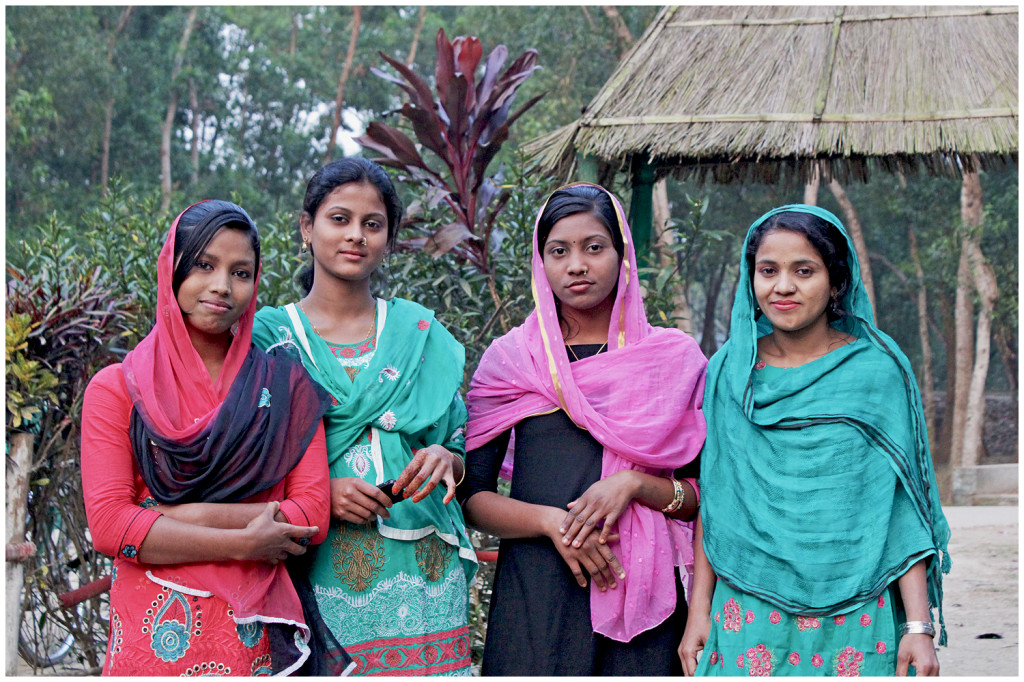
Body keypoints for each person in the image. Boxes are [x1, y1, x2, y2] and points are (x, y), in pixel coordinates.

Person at [678, 204, 950, 677]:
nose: (783, 286)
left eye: (804, 270)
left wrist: (918, 627)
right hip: (748, 610)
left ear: (836, 280)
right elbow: (719, 499)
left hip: (859, 612)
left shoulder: (877, 371)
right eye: (768, 270)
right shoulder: (729, 372)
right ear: (752, 278)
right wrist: (699, 611)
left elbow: (901, 509)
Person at [81, 200, 350, 676]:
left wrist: (181, 517)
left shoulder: (285, 388)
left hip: (254, 635)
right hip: (151, 635)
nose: (222, 286)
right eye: (205, 265)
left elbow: (311, 515)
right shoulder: (116, 388)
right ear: (174, 268)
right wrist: (244, 543)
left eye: (241, 272)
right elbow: (109, 527)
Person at [460, 183, 708, 675]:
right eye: (559, 251)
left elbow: (702, 497)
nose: (577, 265)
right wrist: (553, 524)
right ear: (541, 261)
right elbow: (473, 499)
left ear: (622, 255)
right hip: (537, 594)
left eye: (594, 248)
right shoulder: (513, 361)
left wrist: (636, 485)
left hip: (643, 597)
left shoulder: (673, 360)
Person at [252, 157, 477, 676]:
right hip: (316, 569)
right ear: (307, 227)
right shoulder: (268, 339)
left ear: (389, 239)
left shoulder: (418, 334)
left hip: (424, 572)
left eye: (372, 225)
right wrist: (318, 493)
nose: (356, 236)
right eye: (339, 219)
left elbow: (459, 446)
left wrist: (447, 459)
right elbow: (243, 463)